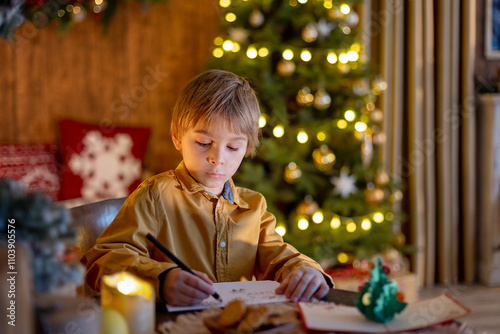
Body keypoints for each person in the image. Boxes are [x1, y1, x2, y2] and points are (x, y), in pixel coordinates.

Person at [81, 69, 333, 306]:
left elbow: (280, 257)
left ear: (247, 148)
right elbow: (102, 261)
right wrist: (160, 279)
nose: (217, 158)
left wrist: (305, 270)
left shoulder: (254, 207)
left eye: (233, 147)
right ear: (177, 137)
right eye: (203, 142)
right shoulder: (154, 196)